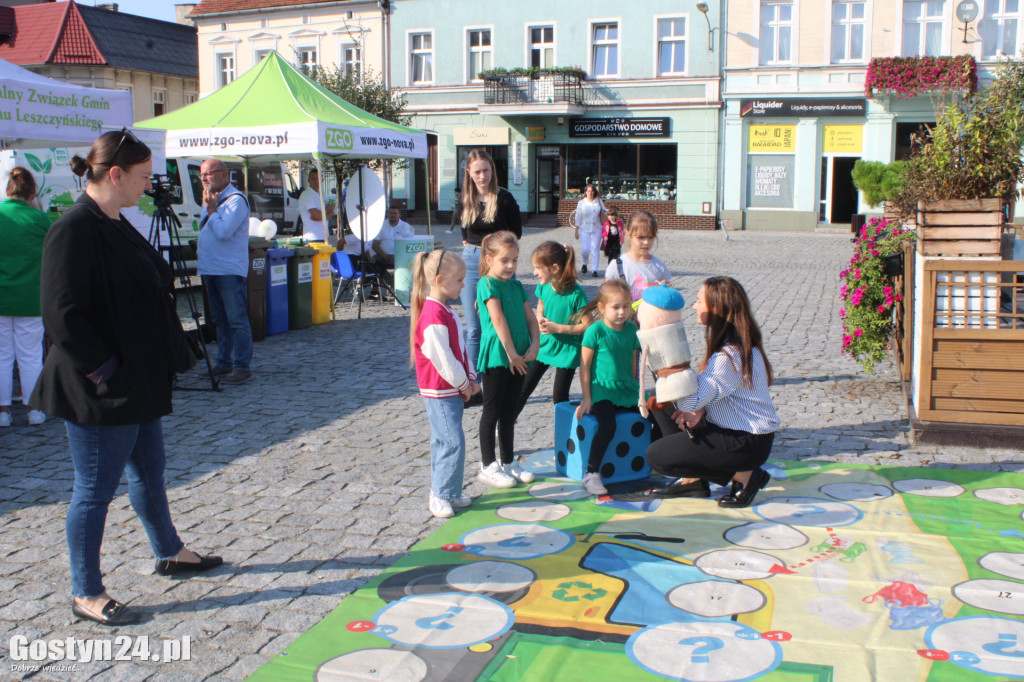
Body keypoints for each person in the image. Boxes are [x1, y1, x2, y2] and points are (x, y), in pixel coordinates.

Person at [30, 129, 222, 627]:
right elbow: (61, 313)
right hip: (101, 389)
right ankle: (86, 591)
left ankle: (169, 551)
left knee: (149, 472)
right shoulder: (73, 228)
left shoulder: (114, 220)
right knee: (94, 490)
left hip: (137, 381)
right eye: (141, 177)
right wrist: (107, 370)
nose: (148, 186)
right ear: (114, 174)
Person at [645, 276, 780, 507]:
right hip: (734, 430)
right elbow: (713, 393)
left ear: (716, 308)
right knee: (661, 406)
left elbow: (688, 402)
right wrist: (701, 409)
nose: (694, 306)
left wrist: (668, 358)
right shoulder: (737, 344)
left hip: (746, 442)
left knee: (657, 456)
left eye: (699, 301)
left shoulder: (728, 356)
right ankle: (694, 481)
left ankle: (744, 475)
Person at [410, 248, 481, 518]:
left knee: (451, 440)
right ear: (440, 280)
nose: (464, 285)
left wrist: (471, 377)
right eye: (459, 280)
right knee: (450, 441)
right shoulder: (432, 314)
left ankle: (449, 491)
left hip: (451, 388)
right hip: (440, 390)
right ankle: (439, 493)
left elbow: (461, 349)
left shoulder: (445, 310)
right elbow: (444, 360)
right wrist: (465, 385)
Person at [476, 231, 539, 488]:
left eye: (514, 260)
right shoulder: (487, 284)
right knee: (492, 410)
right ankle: (488, 464)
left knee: (509, 411)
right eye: (505, 260)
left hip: (520, 354)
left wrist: (536, 344)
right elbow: (498, 319)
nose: (511, 266)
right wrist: (511, 353)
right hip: (498, 356)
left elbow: (530, 318)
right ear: (489, 259)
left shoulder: (517, 286)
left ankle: (509, 461)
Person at [457, 149, 522, 385]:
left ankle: (503, 374)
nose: (482, 175)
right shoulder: (465, 198)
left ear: (492, 170)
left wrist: (498, 252)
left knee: (501, 322)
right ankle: (474, 383)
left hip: (500, 262)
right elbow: (465, 235)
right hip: (472, 260)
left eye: (486, 170)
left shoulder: (504, 197)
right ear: (469, 173)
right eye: (477, 171)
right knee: (474, 328)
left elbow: (516, 232)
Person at [574, 279, 641, 495]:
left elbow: (633, 362)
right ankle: (591, 472)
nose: (622, 312)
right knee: (608, 425)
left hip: (625, 388)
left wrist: (634, 387)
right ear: (602, 308)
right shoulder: (594, 331)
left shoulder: (631, 330)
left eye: (626, 306)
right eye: (616, 307)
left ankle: (657, 459)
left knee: (650, 416)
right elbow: (584, 366)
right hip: (601, 389)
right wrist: (587, 398)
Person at [0, 167, 51, 427]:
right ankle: (34, 410)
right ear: (33, 193)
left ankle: (3, 413)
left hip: (1, 297)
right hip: (31, 298)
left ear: (8, 190)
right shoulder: (40, 219)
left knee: (2, 356)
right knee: (30, 356)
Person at [515, 241, 587, 418]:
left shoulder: (576, 294)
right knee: (523, 388)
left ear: (554, 268)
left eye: (538, 268)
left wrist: (558, 328)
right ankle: (506, 424)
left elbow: (587, 325)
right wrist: (539, 317)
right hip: (545, 345)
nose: (534, 272)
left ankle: (564, 434)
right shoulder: (544, 285)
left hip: (567, 351)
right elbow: (540, 304)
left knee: (559, 397)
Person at [197, 158, 253, 384]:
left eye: (207, 174)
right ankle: (223, 363)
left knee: (237, 319)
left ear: (223, 174)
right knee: (220, 320)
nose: (203, 179)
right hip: (210, 267)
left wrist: (211, 211)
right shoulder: (210, 199)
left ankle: (242, 366)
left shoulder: (235, 200)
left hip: (228, 269)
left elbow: (223, 232)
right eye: (201, 175)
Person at [605, 210, 671, 303]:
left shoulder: (660, 267)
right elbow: (608, 300)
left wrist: (666, 290)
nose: (646, 242)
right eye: (641, 237)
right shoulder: (617, 266)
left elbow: (666, 302)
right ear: (628, 235)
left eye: (651, 237)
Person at [573, 183, 607, 277]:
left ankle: (594, 270)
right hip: (585, 228)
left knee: (595, 249)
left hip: (597, 228)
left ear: (594, 192)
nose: (590, 193)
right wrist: (576, 230)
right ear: (585, 192)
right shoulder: (581, 203)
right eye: (588, 191)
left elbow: (605, 212)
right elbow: (578, 216)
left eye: (592, 191)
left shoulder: (599, 201)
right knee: (585, 249)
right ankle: (585, 263)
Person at [297, 169, 334, 242]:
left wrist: (322, 216)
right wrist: (326, 211)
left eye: (318, 179)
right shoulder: (307, 195)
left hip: (323, 236)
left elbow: (332, 212)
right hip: (312, 238)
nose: (316, 181)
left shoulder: (322, 195)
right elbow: (316, 216)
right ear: (309, 180)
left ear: (322, 180)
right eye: (313, 179)